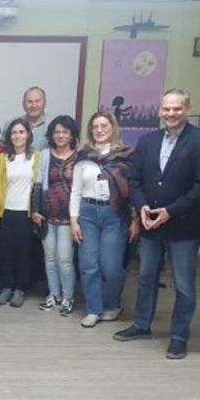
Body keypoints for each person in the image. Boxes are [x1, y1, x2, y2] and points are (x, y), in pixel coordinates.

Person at [115, 89, 200, 360]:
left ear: (187, 109)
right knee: (146, 277)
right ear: (160, 111)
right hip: (151, 224)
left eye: (177, 108)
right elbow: (135, 181)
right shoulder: (148, 141)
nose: (171, 113)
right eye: (167, 109)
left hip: (183, 226)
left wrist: (170, 211)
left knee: (183, 284)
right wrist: (142, 206)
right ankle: (141, 324)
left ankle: (179, 336)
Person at [70, 112, 139, 329]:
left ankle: (113, 304)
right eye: (95, 126)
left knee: (111, 266)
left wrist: (135, 219)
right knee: (88, 264)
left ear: (112, 128)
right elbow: (75, 192)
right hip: (87, 213)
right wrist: (74, 221)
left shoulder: (125, 156)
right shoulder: (83, 157)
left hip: (114, 214)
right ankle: (93, 309)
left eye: (104, 126)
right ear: (91, 130)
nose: (99, 130)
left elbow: (133, 190)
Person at [31, 115, 80, 316]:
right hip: (47, 214)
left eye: (64, 132)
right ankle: (53, 294)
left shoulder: (79, 156)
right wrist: (35, 210)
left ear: (71, 135)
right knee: (49, 258)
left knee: (65, 259)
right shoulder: (44, 155)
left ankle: (68, 297)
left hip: (70, 216)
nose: (60, 135)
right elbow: (38, 183)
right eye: (57, 132)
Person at [0, 118, 39, 308]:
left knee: (24, 252)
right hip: (6, 212)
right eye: (14, 133)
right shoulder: (1, 159)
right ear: (9, 136)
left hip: (26, 213)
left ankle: (20, 289)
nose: (17, 136)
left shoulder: (36, 157)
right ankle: (6, 287)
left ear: (28, 135)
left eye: (21, 132)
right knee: (5, 252)